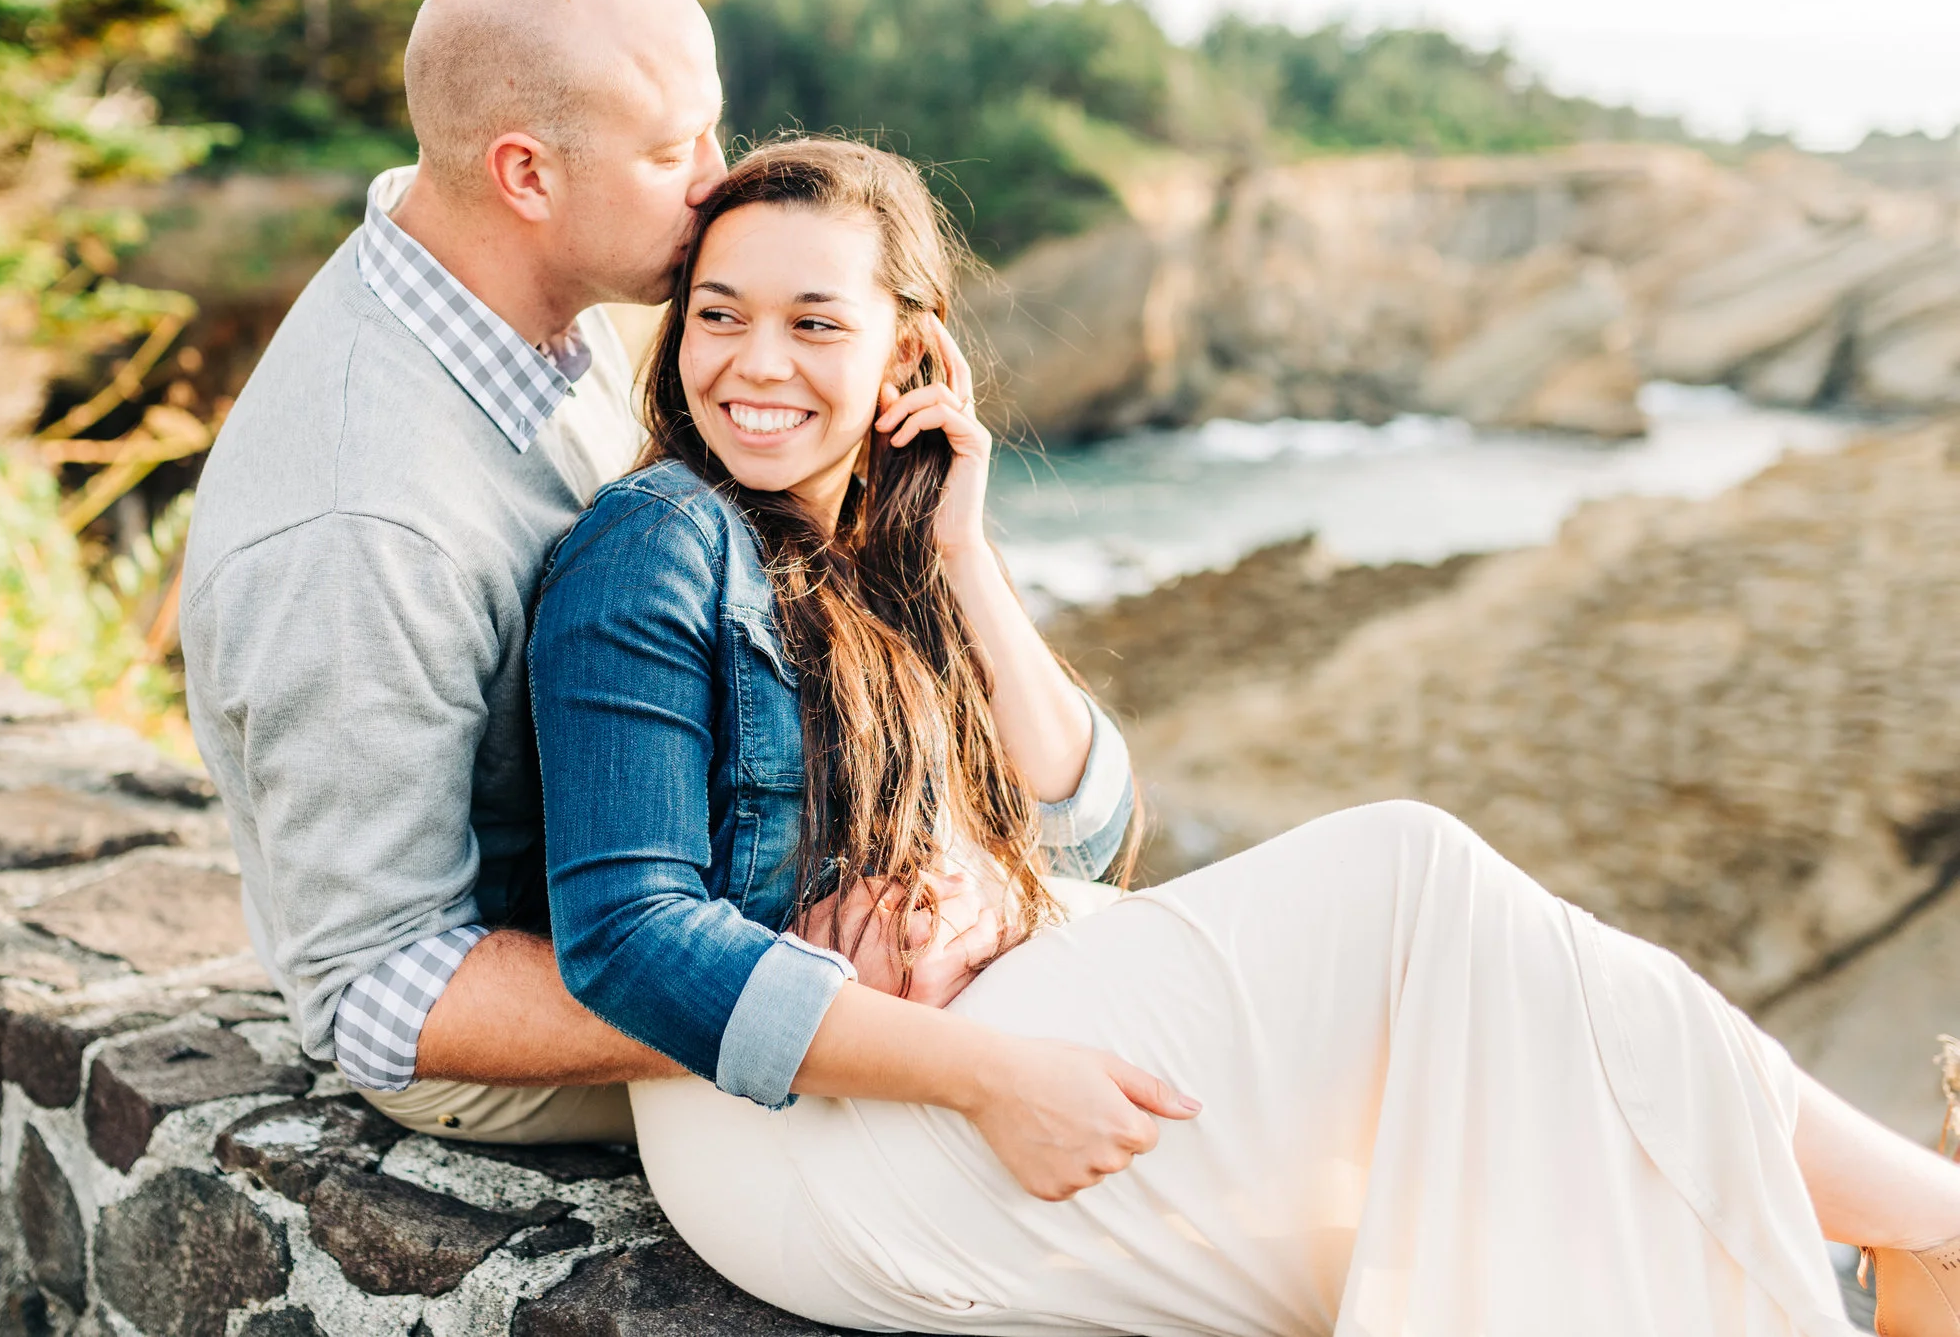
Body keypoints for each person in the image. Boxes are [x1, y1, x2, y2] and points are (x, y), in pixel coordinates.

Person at [528, 134, 1960, 1335]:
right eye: (718, 314)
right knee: (1416, 881)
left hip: (934, 1056)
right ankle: (1931, 1231)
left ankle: (1921, 1243)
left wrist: (964, 555)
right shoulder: (661, 540)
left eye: (812, 320)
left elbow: (1088, 824)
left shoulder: (895, 555)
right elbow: (627, 931)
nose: (752, 362)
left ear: (914, 349)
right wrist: (988, 1072)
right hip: (796, 1130)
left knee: (1484, 1156)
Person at [180, 0, 719, 1144]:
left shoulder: (524, 302)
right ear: (524, 176)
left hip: (648, 903)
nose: (717, 180)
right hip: (510, 1020)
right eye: (675, 149)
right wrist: (794, 994)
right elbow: (375, 987)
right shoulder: (364, 522)